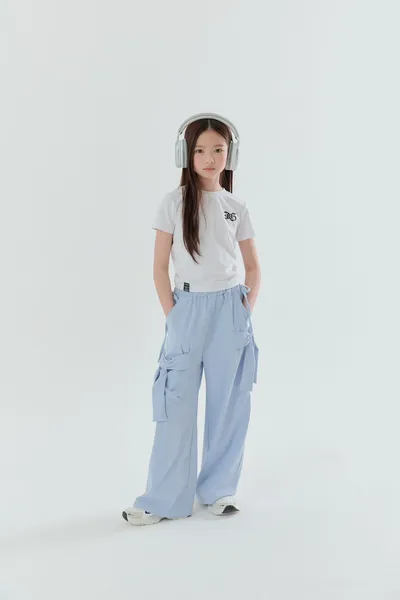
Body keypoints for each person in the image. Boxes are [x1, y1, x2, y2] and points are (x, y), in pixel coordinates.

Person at [122, 113, 261, 526]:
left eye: (218, 150)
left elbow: (253, 267)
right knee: (175, 403)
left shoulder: (236, 206)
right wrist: (174, 316)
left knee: (229, 403)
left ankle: (219, 489)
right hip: (187, 308)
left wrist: (243, 311)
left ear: (231, 154)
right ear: (186, 154)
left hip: (229, 310)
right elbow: (158, 268)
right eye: (200, 150)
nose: (209, 158)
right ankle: (164, 499)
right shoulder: (173, 203)